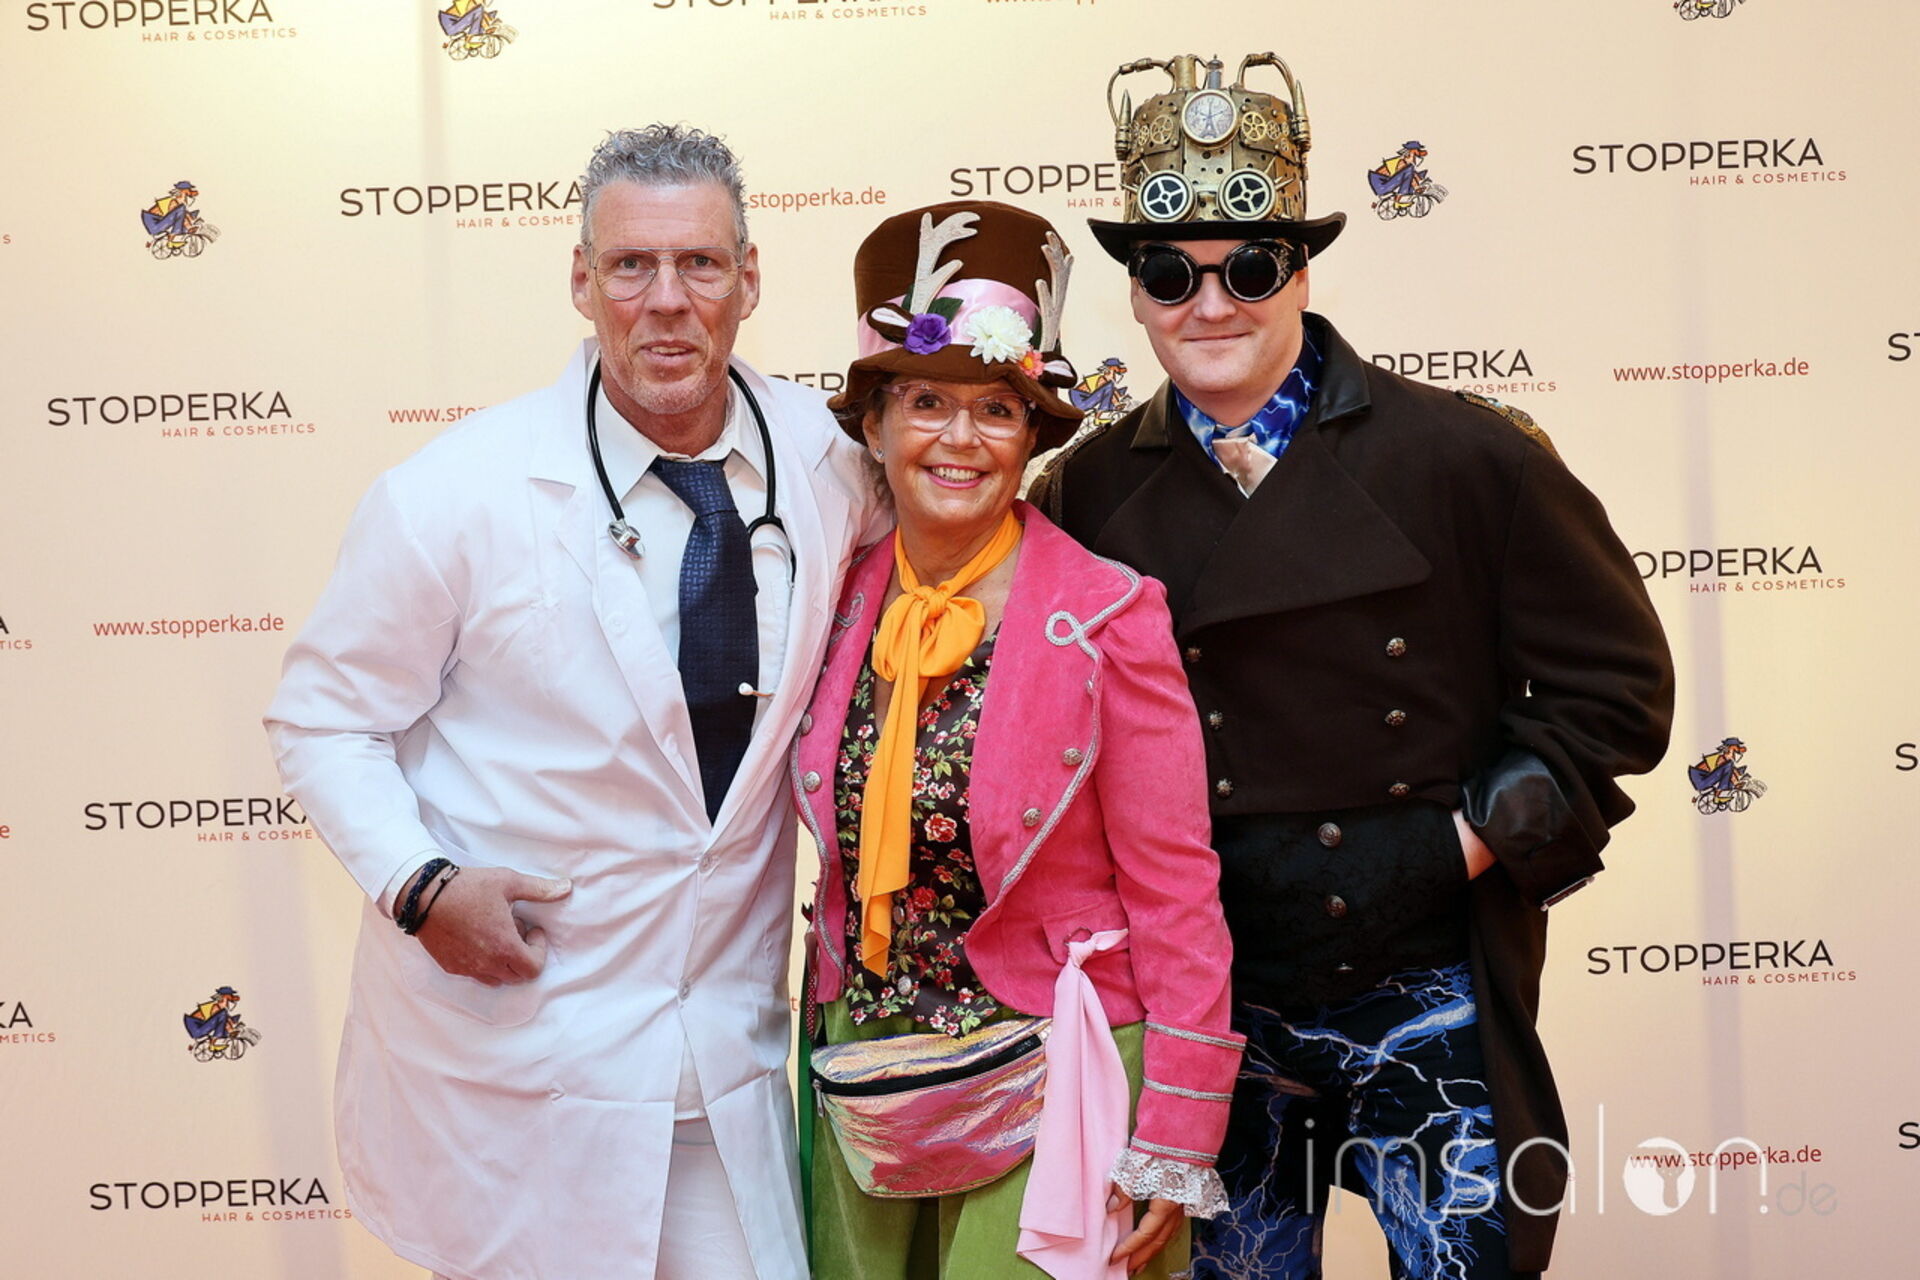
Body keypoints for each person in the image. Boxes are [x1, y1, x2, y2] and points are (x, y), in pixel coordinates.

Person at [1031, 52, 1675, 1279]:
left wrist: (1449, 846)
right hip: (1206, 1011)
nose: (1209, 304)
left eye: (1249, 267)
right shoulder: (1084, 494)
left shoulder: (1469, 458)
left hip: (1429, 984)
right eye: (1169, 273)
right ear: (1136, 294)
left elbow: (1615, 689)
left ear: (1301, 270)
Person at [265, 125, 878, 1280]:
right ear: (582, 281)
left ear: (749, 277)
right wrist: (419, 883)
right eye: (631, 264)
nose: (666, 300)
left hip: (724, 1061)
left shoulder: (833, 461)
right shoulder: (453, 494)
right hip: (522, 1069)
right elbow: (324, 718)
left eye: (700, 263)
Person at [794, 200, 1243, 1280]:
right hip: (866, 1076)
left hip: (1057, 1080)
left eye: (995, 409)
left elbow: (1177, 892)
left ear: (1032, 435)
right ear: (874, 426)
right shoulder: (828, 601)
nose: (960, 439)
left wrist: (1178, 1131)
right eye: (925, 402)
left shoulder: (1109, 617)